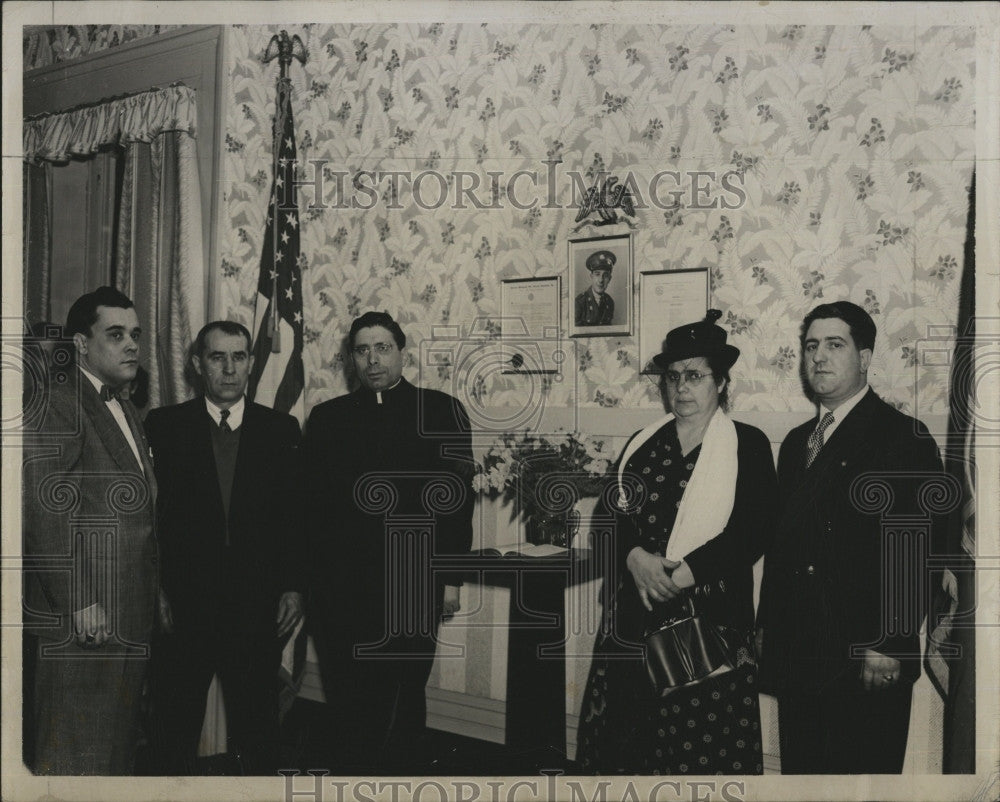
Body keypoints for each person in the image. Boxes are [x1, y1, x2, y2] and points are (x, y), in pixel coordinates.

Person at [577, 309, 777, 775]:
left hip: (711, 622)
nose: (682, 387)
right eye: (672, 377)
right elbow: (611, 516)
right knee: (629, 746)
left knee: (700, 752)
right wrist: (635, 559)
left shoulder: (747, 444)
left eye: (695, 376)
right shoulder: (642, 443)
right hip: (635, 612)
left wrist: (677, 577)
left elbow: (753, 530)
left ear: (721, 383)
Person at [757, 301, 945, 774]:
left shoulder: (904, 437)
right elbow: (785, 549)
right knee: (804, 777)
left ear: (864, 357)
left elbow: (918, 550)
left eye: (834, 345)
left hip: (866, 658)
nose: (818, 356)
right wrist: (767, 628)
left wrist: (891, 641)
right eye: (811, 346)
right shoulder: (799, 441)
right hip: (803, 653)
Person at [304, 311, 475, 774]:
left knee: (402, 699)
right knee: (349, 701)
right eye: (362, 350)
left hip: (411, 584)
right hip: (341, 590)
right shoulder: (327, 418)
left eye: (382, 348)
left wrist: (451, 579)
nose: (372, 359)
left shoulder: (442, 411)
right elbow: (313, 511)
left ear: (403, 352)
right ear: (351, 358)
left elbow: (458, 506)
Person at [144, 320, 304, 775]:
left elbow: (295, 518)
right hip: (184, 607)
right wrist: (155, 589)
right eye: (218, 357)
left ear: (252, 364)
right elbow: (150, 522)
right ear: (198, 364)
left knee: (258, 733)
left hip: (256, 608)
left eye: (239, 357)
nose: (229, 369)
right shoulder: (164, 426)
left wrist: (293, 586)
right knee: (172, 731)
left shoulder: (281, 429)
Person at [21, 287, 158, 774]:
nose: (132, 346)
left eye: (135, 335)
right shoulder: (58, 402)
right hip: (83, 618)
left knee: (112, 754)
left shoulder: (125, 408)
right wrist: (78, 599)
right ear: (81, 344)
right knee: (73, 757)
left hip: (127, 615)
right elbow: (43, 510)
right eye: (116, 334)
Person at [575, 250, 616, 326]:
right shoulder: (579, 302)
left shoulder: (610, 302)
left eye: (605, 275)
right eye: (597, 274)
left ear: (610, 279)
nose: (601, 280)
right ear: (591, 276)